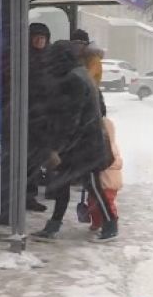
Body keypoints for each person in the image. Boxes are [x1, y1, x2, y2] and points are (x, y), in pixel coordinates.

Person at [32, 39, 117, 241]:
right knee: (63, 184)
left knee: (90, 184)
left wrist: (57, 148)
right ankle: (53, 227)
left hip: (81, 145)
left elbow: (71, 118)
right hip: (83, 142)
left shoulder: (73, 79)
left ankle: (110, 225)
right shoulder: (78, 74)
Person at [27, 22, 52, 213]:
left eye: (43, 38)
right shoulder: (24, 58)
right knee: (28, 160)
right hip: (28, 116)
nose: (39, 41)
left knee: (36, 159)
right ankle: (27, 195)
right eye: (36, 37)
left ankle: (31, 194)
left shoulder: (50, 59)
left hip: (43, 117)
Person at [88, 116, 122, 237]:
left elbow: (113, 163)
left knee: (105, 203)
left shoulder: (108, 148)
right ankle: (97, 222)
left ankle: (111, 224)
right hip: (105, 181)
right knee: (94, 202)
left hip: (108, 182)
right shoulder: (108, 146)